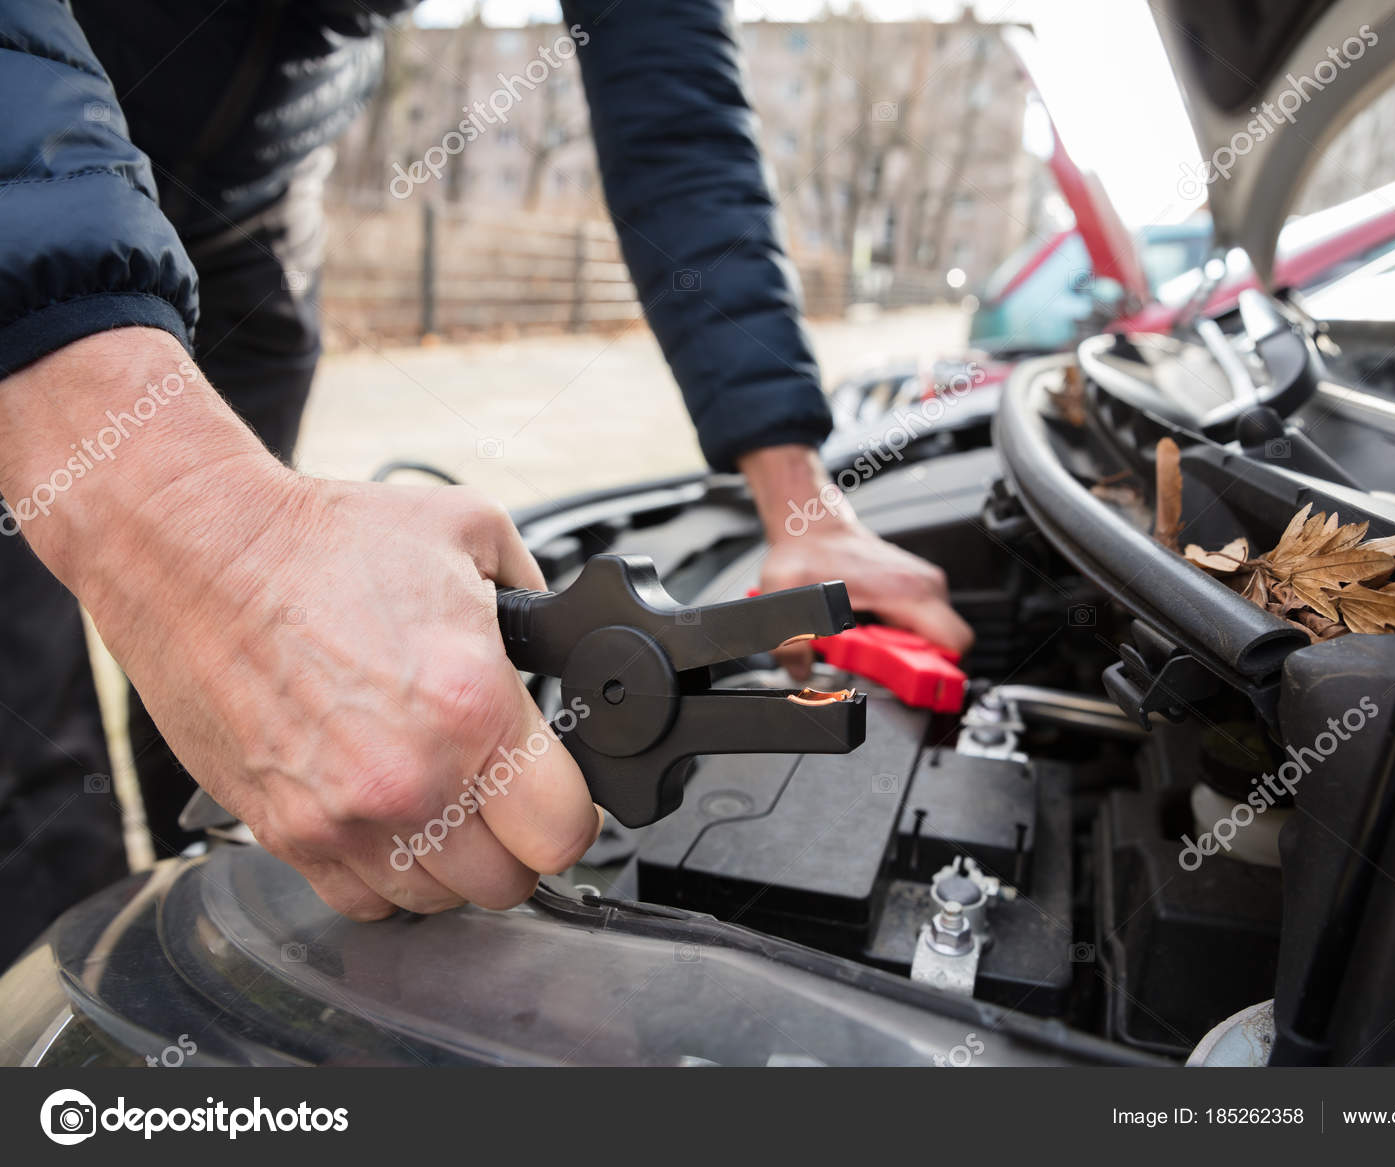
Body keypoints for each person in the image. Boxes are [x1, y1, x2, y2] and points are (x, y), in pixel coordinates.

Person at [0, 0, 972, 965]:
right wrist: (184, 522)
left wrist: (799, 501)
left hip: (250, 201)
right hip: (28, 181)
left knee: (262, 712)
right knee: (29, 727)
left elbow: (680, 122)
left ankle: (208, 940)